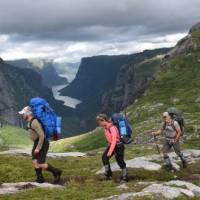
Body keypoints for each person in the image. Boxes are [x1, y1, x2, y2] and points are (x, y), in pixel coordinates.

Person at [19, 106, 62, 184]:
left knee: (40, 163)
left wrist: (38, 148)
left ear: (27, 114)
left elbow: (42, 135)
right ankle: (40, 178)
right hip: (37, 142)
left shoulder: (34, 122)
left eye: (23, 114)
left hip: (42, 143)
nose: (22, 115)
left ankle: (56, 172)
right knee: (34, 160)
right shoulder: (30, 122)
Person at [96, 114, 128, 182]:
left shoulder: (112, 127)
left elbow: (114, 140)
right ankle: (108, 174)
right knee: (104, 157)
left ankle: (125, 177)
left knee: (120, 160)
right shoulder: (106, 128)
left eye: (99, 122)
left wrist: (110, 152)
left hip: (118, 146)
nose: (99, 124)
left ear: (103, 120)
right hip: (112, 145)